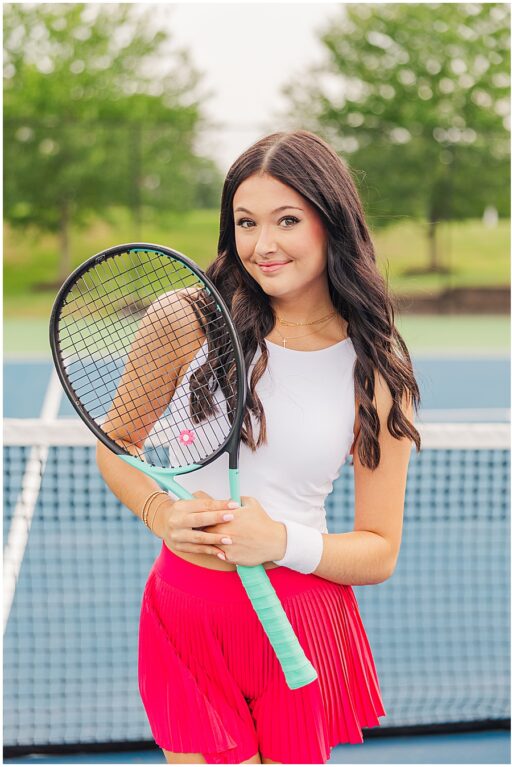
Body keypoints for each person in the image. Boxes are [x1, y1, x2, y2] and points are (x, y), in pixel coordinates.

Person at [96, 130, 420, 764]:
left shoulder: (376, 367)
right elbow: (117, 446)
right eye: (245, 222)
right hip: (186, 616)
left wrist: (278, 542)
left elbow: (379, 552)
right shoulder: (185, 319)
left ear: (332, 223)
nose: (262, 245)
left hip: (299, 624)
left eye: (288, 220)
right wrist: (161, 514)